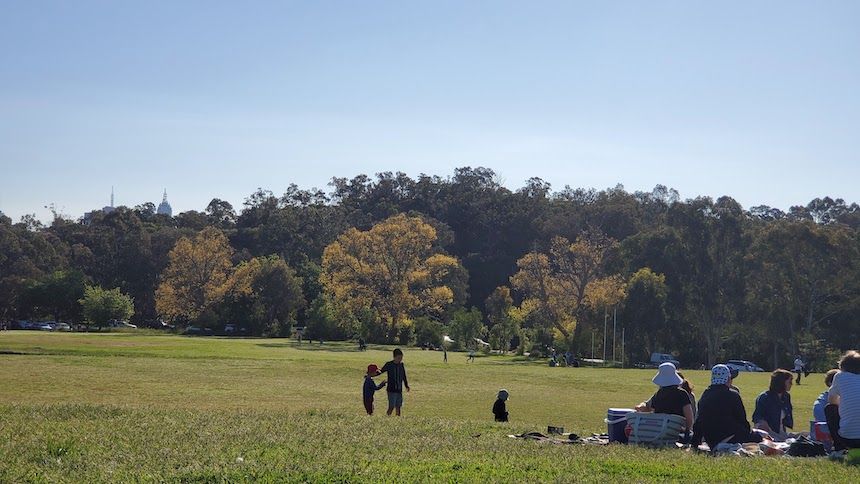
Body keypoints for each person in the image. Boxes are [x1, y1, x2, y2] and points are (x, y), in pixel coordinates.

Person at [692, 365, 766, 449]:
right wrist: (750, 433)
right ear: (727, 379)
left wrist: (695, 442)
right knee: (759, 437)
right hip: (730, 437)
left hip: (712, 440)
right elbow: (742, 421)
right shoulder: (733, 395)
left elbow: (699, 422)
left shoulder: (705, 395)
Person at [634, 362, 694, 431]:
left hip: (660, 432)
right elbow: (689, 418)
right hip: (677, 432)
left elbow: (654, 413)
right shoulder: (682, 394)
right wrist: (687, 431)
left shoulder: (657, 395)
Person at [826, 350, 860, 451]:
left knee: (829, 409)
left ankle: (838, 448)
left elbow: (832, 401)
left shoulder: (840, 377)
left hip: (848, 438)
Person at [752, 369, 794, 441]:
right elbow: (757, 418)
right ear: (781, 382)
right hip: (768, 435)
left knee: (805, 435)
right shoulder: (764, 397)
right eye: (789, 382)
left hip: (782, 433)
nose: (791, 384)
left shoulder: (786, 396)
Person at [380, 348, 410, 416]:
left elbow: (403, 376)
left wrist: (406, 385)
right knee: (391, 406)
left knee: (398, 406)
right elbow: (381, 371)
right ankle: (387, 417)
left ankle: (397, 419)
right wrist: (371, 374)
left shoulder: (401, 365)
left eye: (401, 358)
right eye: (399, 358)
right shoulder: (389, 364)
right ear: (394, 357)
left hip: (399, 390)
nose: (400, 359)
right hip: (391, 390)